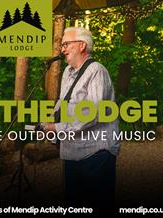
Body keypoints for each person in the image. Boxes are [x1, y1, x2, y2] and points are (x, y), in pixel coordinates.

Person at [43, 27, 120, 213]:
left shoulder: (96, 71)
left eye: (66, 44)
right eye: (62, 45)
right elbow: (62, 105)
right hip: (72, 154)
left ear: (82, 45)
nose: (62, 49)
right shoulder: (68, 73)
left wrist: (58, 128)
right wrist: (53, 134)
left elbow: (91, 113)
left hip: (96, 154)